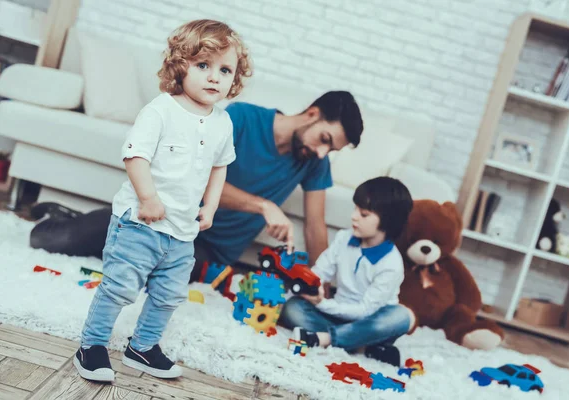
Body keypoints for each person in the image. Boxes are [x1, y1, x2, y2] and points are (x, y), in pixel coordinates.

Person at [73, 19, 251, 382]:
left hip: (182, 232)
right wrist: (148, 197)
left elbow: (220, 167)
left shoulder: (223, 123)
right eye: (203, 65)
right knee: (121, 286)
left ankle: (144, 346)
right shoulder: (161, 110)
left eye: (224, 69)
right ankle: (91, 346)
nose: (214, 77)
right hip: (141, 222)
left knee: (169, 296)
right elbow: (135, 156)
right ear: (180, 66)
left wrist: (211, 206)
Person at [30, 92, 364, 273]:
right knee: (51, 242)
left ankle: (88, 223)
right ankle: (68, 220)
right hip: (165, 223)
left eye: (330, 149)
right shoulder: (243, 117)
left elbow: (316, 227)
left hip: (205, 250)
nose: (322, 153)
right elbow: (197, 178)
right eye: (324, 139)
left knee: (138, 273)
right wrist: (264, 206)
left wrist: (319, 279)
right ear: (312, 114)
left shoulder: (311, 161)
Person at [278, 177, 416, 367]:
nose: (354, 216)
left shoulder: (391, 264)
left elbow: (364, 311)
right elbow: (320, 271)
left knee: (402, 317)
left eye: (364, 214)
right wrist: (311, 287)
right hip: (338, 315)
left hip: (369, 320)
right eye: (355, 209)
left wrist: (324, 304)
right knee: (292, 308)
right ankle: (360, 345)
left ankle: (324, 339)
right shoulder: (344, 238)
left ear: (388, 222)